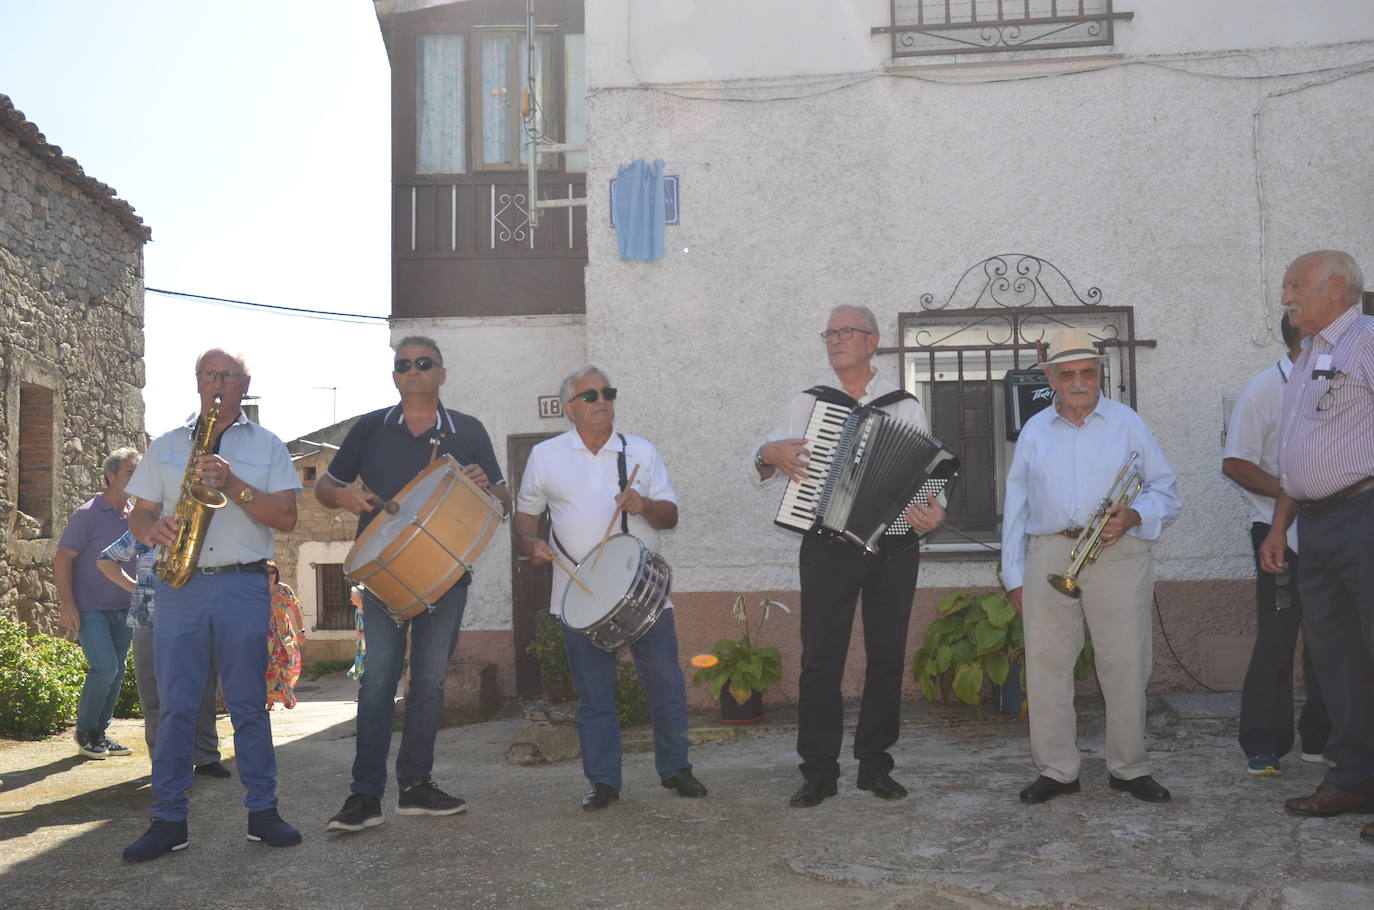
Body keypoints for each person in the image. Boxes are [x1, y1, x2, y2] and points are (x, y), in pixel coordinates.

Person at [753, 305, 946, 808]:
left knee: (886, 655)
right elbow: (766, 461)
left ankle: (875, 766)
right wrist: (765, 454)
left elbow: (932, 473)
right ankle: (819, 770)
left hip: (892, 546)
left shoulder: (904, 405)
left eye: (847, 332)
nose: (836, 340)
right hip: (826, 545)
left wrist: (933, 514)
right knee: (821, 659)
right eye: (830, 333)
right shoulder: (808, 401)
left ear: (872, 342)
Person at [317, 336, 510, 833]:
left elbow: (505, 501)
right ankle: (363, 796)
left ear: (442, 373)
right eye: (403, 365)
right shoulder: (370, 428)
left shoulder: (468, 430)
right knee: (378, 680)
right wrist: (345, 499)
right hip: (383, 576)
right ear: (395, 375)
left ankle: (416, 786)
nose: (413, 371)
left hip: (446, 576)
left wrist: (485, 487)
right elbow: (323, 486)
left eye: (424, 364)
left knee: (428, 682)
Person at [121, 349, 303, 862]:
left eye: (227, 376)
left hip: (243, 583)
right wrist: (148, 528)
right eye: (209, 375)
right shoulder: (168, 444)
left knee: (247, 703)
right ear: (197, 382)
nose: (217, 383)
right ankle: (168, 819)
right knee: (177, 705)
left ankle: (263, 813)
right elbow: (140, 514)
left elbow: (286, 518)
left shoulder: (267, 445)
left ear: (245, 384)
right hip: (180, 582)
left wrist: (235, 485)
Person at [514, 364, 707, 810]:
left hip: (645, 595)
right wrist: (532, 543)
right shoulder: (546, 456)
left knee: (666, 686)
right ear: (570, 409)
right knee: (594, 696)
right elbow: (526, 519)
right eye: (591, 395)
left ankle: (677, 770)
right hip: (578, 594)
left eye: (607, 393)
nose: (602, 400)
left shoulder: (640, 450)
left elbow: (670, 516)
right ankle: (604, 781)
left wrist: (644, 505)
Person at [1001, 328, 1181, 805]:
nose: (1078, 380)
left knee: (1125, 663)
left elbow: (1165, 489)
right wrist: (1013, 574)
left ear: (1099, 373)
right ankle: (1058, 770)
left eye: (1087, 371)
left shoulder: (1127, 423)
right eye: (1067, 373)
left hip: (1118, 552)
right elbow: (1015, 506)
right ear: (1052, 379)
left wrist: (1137, 514)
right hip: (1049, 554)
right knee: (1046, 666)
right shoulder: (1035, 431)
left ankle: (1129, 768)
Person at [1257, 250, 1374, 844]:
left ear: (1335, 287)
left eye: (1295, 284)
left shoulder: (1369, 341)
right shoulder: (1310, 354)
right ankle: (1353, 777)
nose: (1286, 295)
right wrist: (1281, 525)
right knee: (1336, 660)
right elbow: (1298, 455)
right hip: (1317, 524)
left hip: (1365, 513)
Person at [1223, 313, 1329, 776]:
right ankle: (1263, 745)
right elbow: (1235, 464)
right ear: (1306, 339)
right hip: (1276, 534)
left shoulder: (1337, 385)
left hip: (1334, 533)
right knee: (1277, 640)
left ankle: (1321, 740)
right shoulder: (1263, 390)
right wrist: (1295, 491)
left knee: (1333, 642)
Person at [98, 530, 229, 778]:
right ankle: (163, 760)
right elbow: (106, 559)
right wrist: (136, 589)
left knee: (203, 689)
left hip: (197, 620)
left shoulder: (208, 528)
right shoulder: (147, 528)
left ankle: (206, 756)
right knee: (153, 693)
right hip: (148, 619)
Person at [54, 447, 141, 760]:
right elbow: (63, 557)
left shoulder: (136, 515)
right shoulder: (87, 513)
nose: (136, 477)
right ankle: (86, 732)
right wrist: (67, 604)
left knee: (117, 673)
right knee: (105, 668)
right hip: (90, 608)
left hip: (126, 608)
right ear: (111, 475)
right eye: (130, 472)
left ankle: (99, 734)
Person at [265, 561, 304, 710]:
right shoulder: (258, 591)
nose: (270, 575)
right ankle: (271, 699)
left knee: (287, 664)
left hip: (283, 633)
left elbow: (295, 610)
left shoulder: (284, 589)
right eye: (267, 572)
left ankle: (286, 694)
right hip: (265, 633)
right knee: (269, 666)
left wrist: (301, 631)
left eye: (273, 572)